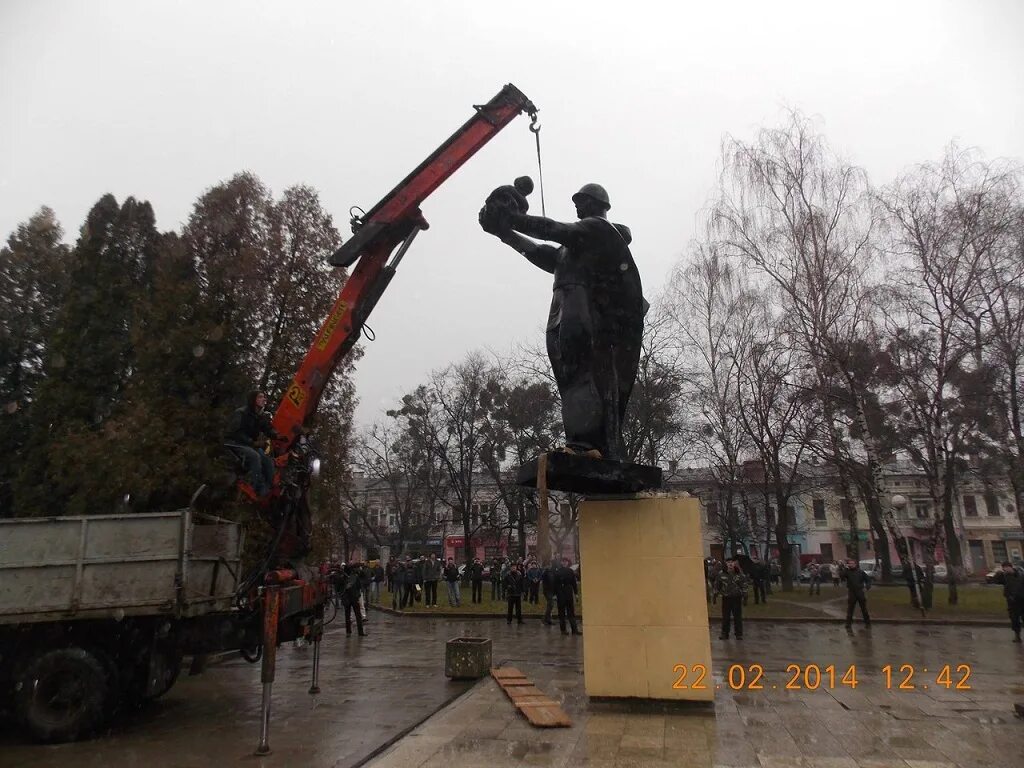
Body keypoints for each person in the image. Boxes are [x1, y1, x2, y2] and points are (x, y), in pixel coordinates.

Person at [480, 183, 645, 461]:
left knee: (581, 373)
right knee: (570, 377)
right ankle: (581, 442)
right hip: (562, 306)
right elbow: (543, 252)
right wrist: (505, 234)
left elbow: (556, 230)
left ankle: (588, 444)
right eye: (577, 200)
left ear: (599, 205)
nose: (578, 205)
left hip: (580, 307)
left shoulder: (599, 229)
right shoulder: (574, 249)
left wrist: (513, 219)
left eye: (583, 200)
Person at [224, 390, 278, 497]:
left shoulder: (259, 416)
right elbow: (236, 433)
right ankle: (257, 489)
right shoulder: (241, 413)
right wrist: (253, 443)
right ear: (253, 400)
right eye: (261, 397)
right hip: (235, 443)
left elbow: (267, 428)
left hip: (249, 444)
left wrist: (277, 435)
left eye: (264, 397)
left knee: (267, 459)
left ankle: (269, 488)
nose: (264, 399)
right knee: (255, 456)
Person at [714, 557, 748, 640]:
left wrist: (745, 596)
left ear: (734, 563)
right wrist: (715, 595)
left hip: (737, 598)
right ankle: (725, 633)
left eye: (732, 562)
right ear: (726, 564)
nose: (730, 564)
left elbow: (744, 585)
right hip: (726, 598)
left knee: (737, 617)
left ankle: (738, 634)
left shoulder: (739, 574)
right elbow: (717, 585)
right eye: (728, 562)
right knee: (726, 617)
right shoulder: (721, 574)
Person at [995, 560, 1024, 643]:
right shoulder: (1004, 576)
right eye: (1004, 568)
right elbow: (996, 581)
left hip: (1022, 599)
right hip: (1012, 601)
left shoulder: (1020, 574)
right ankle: (1017, 636)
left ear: (1010, 567)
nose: (1005, 570)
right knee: (1014, 619)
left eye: (1006, 568)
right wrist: (998, 573)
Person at [554, 557, 581, 635]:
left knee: (571, 612)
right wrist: (555, 594)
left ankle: (574, 630)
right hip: (560, 593)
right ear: (561, 563)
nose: (565, 563)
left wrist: (576, 593)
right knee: (561, 613)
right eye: (563, 561)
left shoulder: (570, 571)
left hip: (568, 592)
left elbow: (574, 583)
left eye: (566, 561)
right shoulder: (558, 572)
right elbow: (555, 584)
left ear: (567, 562)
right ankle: (563, 630)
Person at [843, 558, 871, 628]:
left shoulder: (860, 572)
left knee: (864, 609)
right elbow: (842, 575)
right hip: (852, 592)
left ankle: (867, 623)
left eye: (852, 563)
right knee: (850, 609)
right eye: (850, 564)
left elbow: (868, 580)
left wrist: (867, 587)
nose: (851, 565)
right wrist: (845, 568)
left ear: (855, 564)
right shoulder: (847, 572)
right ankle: (848, 623)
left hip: (860, 591)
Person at [341, 564, 366, 636]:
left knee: (348, 615)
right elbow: (359, 587)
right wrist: (358, 595)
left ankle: (348, 632)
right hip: (353, 598)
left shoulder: (344, 577)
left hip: (348, 598)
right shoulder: (354, 576)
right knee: (357, 615)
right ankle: (360, 632)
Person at [541, 558, 558, 626]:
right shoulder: (545, 572)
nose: (549, 566)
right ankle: (546, 619)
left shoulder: (552, 572)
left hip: (551, 591)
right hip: (547, 591)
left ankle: (547, 619)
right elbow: (545, 582)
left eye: (550, 564)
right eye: (548, 565)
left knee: (550, 605)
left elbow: (553, 582)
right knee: (550, 604)